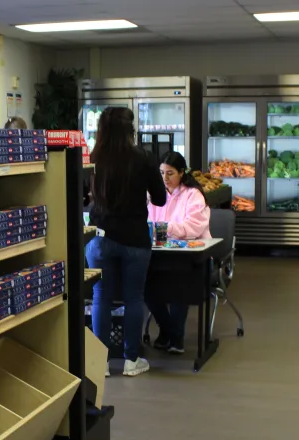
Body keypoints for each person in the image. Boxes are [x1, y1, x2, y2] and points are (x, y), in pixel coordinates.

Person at [86, 107, 166, 377]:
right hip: (135, 239)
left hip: (100, 237)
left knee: (101, 297)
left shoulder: (93, 157)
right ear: (130, 129)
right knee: (134, 297)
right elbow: (160, 200)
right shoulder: (143, 158)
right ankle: (132, 360)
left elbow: (82, 198)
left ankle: (102, 363)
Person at [146, 151, 211, 354]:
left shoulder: (193, 195)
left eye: (170, 173)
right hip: (161, 253)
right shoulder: (155, 194)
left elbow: (193, 227)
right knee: (145, 283)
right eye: (161, 173)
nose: (165, 178)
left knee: (178, 284)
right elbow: (148, 220)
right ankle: (169, 330)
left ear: (182, 173)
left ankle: (175, 335)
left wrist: (164, 228)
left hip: (190, 257)